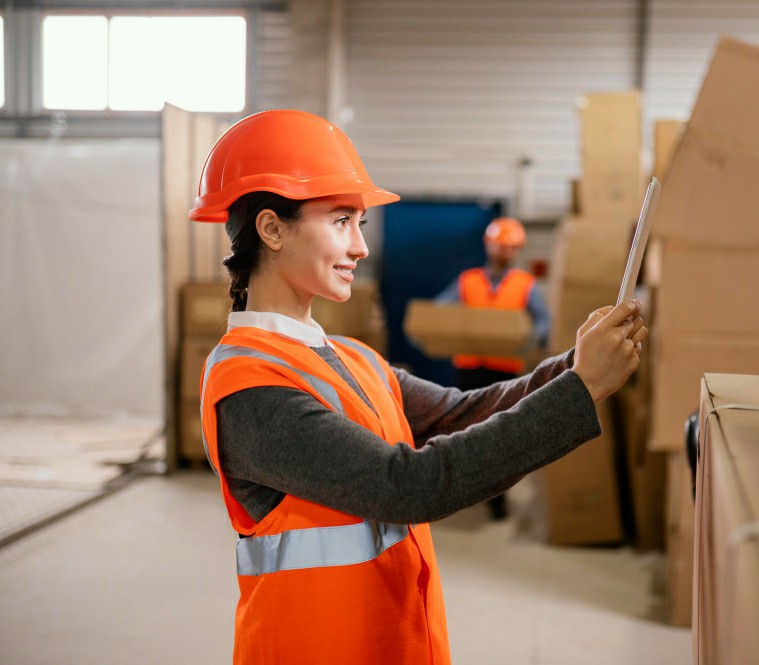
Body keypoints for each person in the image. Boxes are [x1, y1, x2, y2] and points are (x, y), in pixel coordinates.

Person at [189, 109, 647, 665]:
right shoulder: (248, 388)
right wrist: (579, 390)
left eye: (359, 223)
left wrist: (578, 366)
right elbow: (409, 485)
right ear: (272, 229)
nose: (360, 247)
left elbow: (465, 412)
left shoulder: (352, 357)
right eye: (341, 221)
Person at [434, 215, 549, 519]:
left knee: (500, 434)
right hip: (469, 368)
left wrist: (530, 340)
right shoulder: (467, 280)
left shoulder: (525, 284)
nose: (504, 252)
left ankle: (497, 498)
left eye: (510, 247)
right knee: (465, 431)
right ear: (488, 246)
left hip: (504, 371)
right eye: (500, 245)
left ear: (518, 250)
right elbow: (439, 310)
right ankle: (465, 489)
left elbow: (542, 321)